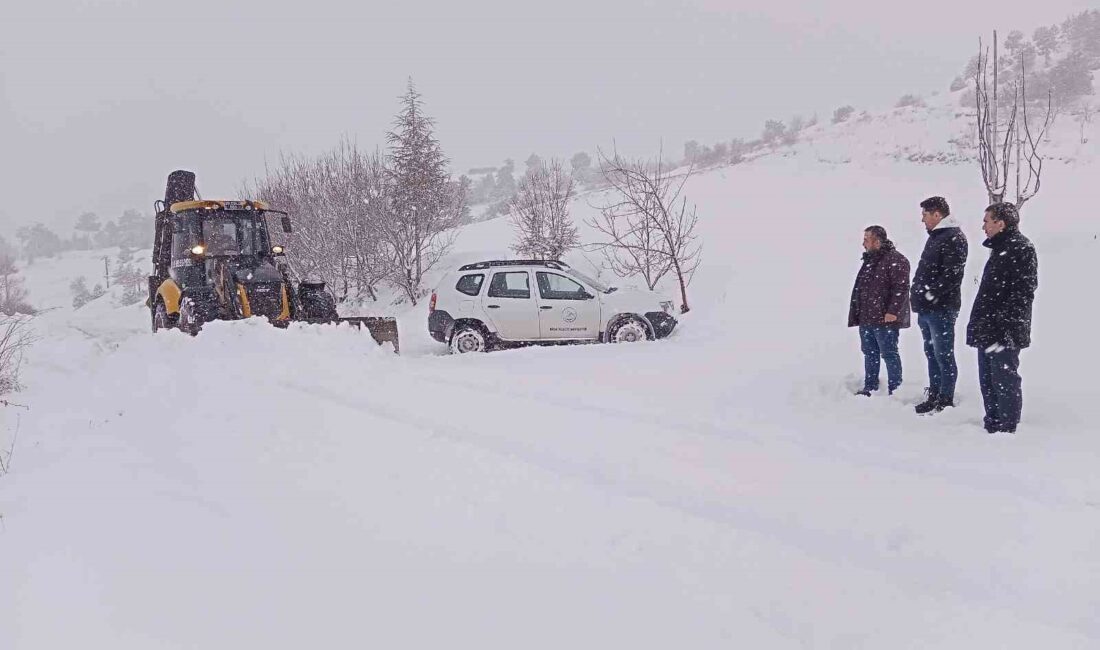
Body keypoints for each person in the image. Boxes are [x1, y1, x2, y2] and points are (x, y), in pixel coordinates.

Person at [966, 202, 1038, 434]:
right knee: (987, 378)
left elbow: (1023, 292)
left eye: (987, 221)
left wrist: (1004, 324)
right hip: (989, 327)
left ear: (1001, 223)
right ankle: (993, 421)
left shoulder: (1021, 248)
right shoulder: (1000, 248)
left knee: (1004, 378)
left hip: (1004, 330)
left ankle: (1006, 426)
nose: (983, 226)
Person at [911, 196, 968, 414]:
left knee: (943, 353)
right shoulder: (936, 236)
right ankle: (934, 393)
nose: (922, 220)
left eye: (925, 215)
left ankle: (945, 398)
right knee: (931, 352)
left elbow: (952, 275)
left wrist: (929, 295)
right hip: (927, 308)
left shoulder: (954, 237)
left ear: (937, 214)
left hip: (941, 308)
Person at [848, 225, 911, 396]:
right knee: (869, 353)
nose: (863, 244)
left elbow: (901, 288)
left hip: (885, 318)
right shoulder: (870, 260)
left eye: (866, 239)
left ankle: (896, 390)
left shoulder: (896, 260)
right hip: (867, 317)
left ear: (877, 241)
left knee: (889, 353)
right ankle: (870, 386)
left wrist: (892, 311)